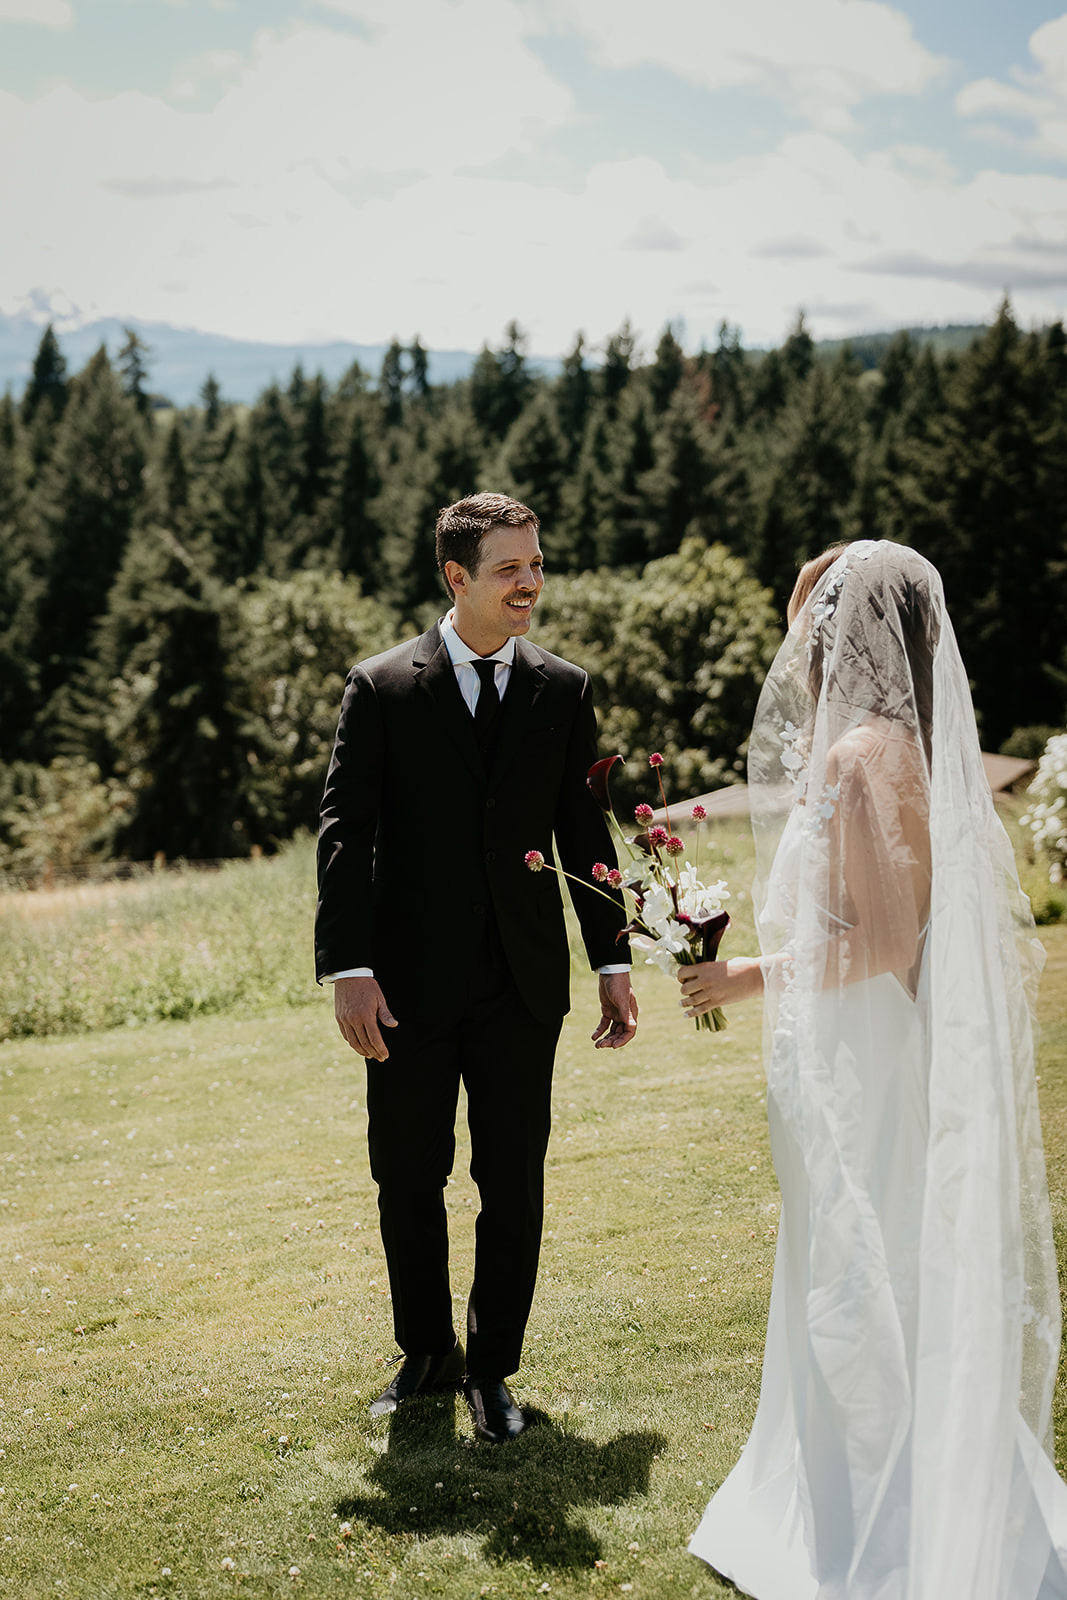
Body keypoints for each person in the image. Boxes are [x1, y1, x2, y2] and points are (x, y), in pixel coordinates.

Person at [680, 540, 1067, 1598]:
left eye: (813, 619)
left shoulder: (867, 753)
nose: (799, 642)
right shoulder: (869, 746)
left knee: (874, 1271)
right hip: (843, 1048)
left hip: (874, 1055)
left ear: (852, 632)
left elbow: (889, 940)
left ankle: (898, 1520)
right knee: (843, 1267)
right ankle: (835, 1487)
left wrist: (749, 975)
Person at [315, 491, 638, 1445]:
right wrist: (348, 968)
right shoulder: (380, 687)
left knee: (514, 1179)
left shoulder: (563, 690)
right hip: (405, 989)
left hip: (522, 984)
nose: (531, 581)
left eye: (536, 562)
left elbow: (586, 832)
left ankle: (492, 1367)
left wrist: (612, 959)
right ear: (457, 578)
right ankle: (425, 1354)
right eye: (510, 567)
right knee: (407, 1176)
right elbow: (346, 837)